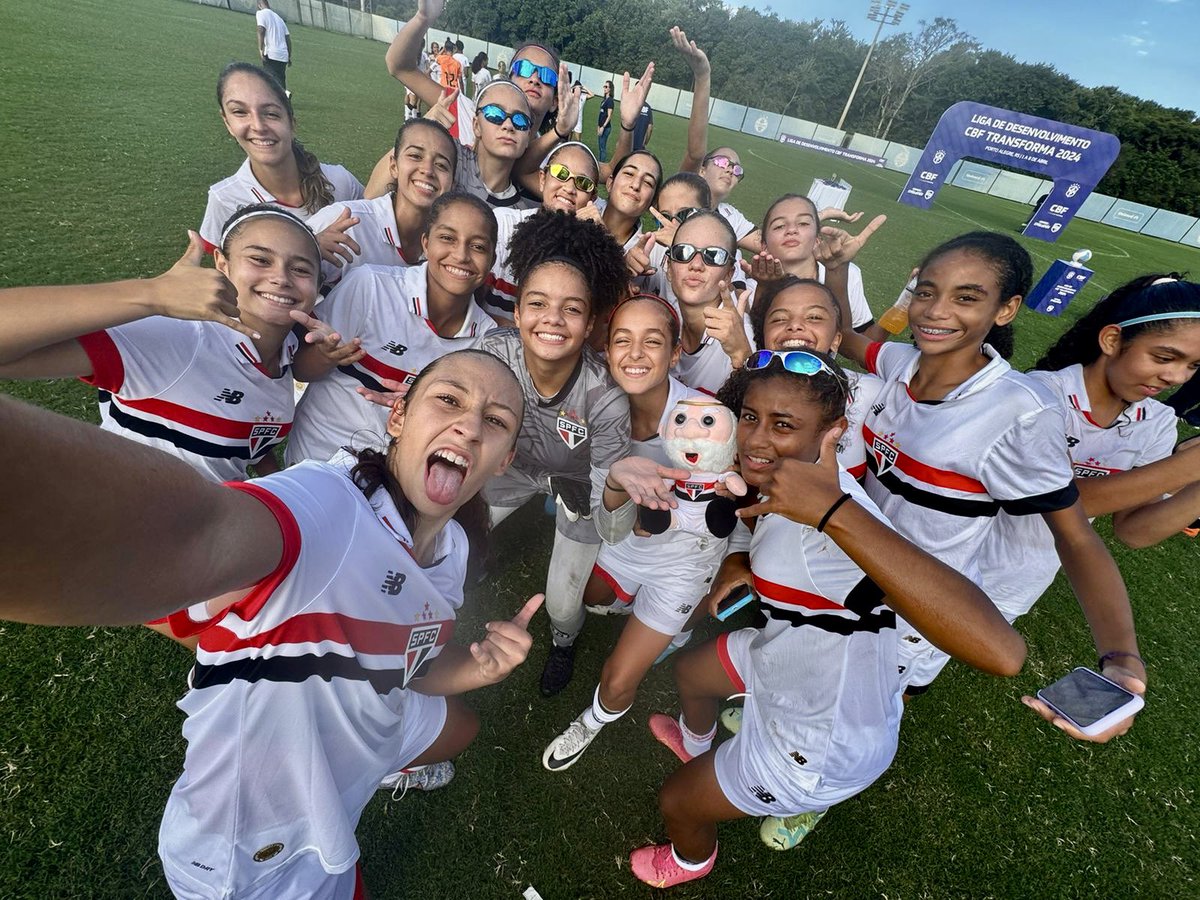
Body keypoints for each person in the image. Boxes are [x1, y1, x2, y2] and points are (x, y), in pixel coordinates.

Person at [0, 350, 543, 898]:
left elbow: (413, 663)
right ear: (398, 416)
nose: (470, 427)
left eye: (495, 421)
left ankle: (379, 769)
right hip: (251, 856)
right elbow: (191, 532)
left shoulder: (452, 550)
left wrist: (478, 669)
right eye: (449, 399)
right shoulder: (326, 504)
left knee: (460, 727)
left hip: (351, 758)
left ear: (504, 459)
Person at [627, 350, 1026, 888]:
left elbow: (1003, 652)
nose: (756, 440)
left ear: (835, 431)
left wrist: (834, 516)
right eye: (750, 417)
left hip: (816, 740)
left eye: (784, 425)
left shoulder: (838, 523)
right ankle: (697, 744)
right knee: (691, 674)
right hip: (785, 656)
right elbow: (766, 536)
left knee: (676, 801)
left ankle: (690, 861)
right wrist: (741, 559)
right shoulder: (786, 486)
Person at [821, 226, 1146, 738]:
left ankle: (814, 793)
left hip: (916, 602)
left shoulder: (1018, 413)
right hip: (849, 564)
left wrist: (1121, 657)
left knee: (861, 709)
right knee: (820, 673)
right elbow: (846, 341)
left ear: (1006, 309)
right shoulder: (902, 364)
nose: (935, 311)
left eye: (966, 297)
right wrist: (835, 273)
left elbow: (1075, 535)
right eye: (927, 292)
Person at [976, 276, 1200, 737]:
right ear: (1113, 339)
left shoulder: (1155, 422)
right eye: (1164, 357)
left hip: (1021, 578)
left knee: (915, 671)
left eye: (1193, 367)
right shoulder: (1036, 394)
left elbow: (1134, 530)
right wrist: (1187, 467)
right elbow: (1054, 500)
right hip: (952, 554)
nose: (1175, 377)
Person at [0, 205, 347, 482]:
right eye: (260, 259)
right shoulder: (177, 336)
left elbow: (247, 440)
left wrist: (282, 485)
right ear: (221, 265)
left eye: (301, 269)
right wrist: (152, 294)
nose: (281, 278)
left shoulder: (285, 353)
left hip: (201, 547)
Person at [541, 294, 711, 771]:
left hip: (682, 562)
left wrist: (718, 572)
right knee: (586, 599)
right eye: (622, 341)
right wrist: (615, 486)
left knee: (617, 680)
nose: (635, 354)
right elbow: (599, 512)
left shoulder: (708, 418)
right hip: (621, 544)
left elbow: (731, 509)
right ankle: (655, 620)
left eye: (652, 342)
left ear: (676, 353)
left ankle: (592, 721)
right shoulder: (588, 412)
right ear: (607, 351)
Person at [477, 210, 631, 697]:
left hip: (577, 488)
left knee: (564, 603)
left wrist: (619, 491)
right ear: (517, 312)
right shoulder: (492, 353)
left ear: (589, 325)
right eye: (538, 303)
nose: (552, 320)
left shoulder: (604, 398)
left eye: (571, 309)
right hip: (515, 469)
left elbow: (614, 527)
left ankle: (563, 642)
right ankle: (475, 561)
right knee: (458, 539)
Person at [287, 192, 501, 466]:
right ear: (426, 243)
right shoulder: (370, 286)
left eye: (478, 247)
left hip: (396, 480)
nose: (461, 255)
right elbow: (301, 369)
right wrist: (326, 356)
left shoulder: (485, 340)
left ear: (492, 260)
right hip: (317, 459)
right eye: (447, 238)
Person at [200, 63, 364, 265]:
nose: (258, 126)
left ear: (292, 122)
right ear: (227, 123)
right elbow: (228, 282)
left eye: (271, 113)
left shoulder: (340, 180)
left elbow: (379, 222)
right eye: (240, 112)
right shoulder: (224, 199)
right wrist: (309, 248)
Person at [305, 119, 457, 286]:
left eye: (441, 165)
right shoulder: (347, 223)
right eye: (415, 156)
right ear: (393, 166)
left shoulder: (449, 248)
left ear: (452, 184)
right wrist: (310, 247)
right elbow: (277, 262)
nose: (427, 170)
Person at [480, 141, 603, 318]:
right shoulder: (502, 224)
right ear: (542, 179)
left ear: (593, 197)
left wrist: (601, 240)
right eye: (560, 173)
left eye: (583, 183)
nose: (569, 188)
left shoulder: (592, 254)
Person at [748, 194, 881, 336]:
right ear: (764, 245)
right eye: (779, 226)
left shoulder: (848, 275)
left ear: (817, 238)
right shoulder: (752, 290)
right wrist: (763, 289)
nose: (792, 230)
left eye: (803, 223)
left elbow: (860, 340)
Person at [666, 210, 753, 396]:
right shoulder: (661, 319)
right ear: (669, 268)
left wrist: (742, 357)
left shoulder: (743, 337)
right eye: (683, 252)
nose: (696, 264)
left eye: (713, 255)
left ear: (729, 274)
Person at [255, 0, 291, 93]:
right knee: (280, 79)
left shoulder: (261, 13)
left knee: (268, 77)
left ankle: (284, 94)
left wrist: (260, 48)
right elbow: (287, 38)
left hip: (272, 53)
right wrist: (289, 56)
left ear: (259, 5)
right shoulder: (279, 18)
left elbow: (261, 30)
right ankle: (283, 97)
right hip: (283, 54)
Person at [570, 74, 595, 142]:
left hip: (579, 120)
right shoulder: (571, 95)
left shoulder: (583, 96)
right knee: (567, 138)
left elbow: (592, 95)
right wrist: (573, 88)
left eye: (579, 88)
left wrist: (584, 87)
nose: (578, 89)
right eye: (577, 88)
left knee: (578, 140)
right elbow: (566, 92)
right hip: (571, 118)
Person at [597, 80, 614, 162]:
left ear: (610, 89)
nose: (604, 88)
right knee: (600, 146)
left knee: (602, 147)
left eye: (606, 87)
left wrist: (603, 127)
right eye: (604, 86)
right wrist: (598, 126)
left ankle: (601, 165)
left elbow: (609, 116)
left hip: (606, 128)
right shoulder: (604, 100)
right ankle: (599, 163)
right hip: (601, 127)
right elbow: (601, 115)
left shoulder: (610, 100)